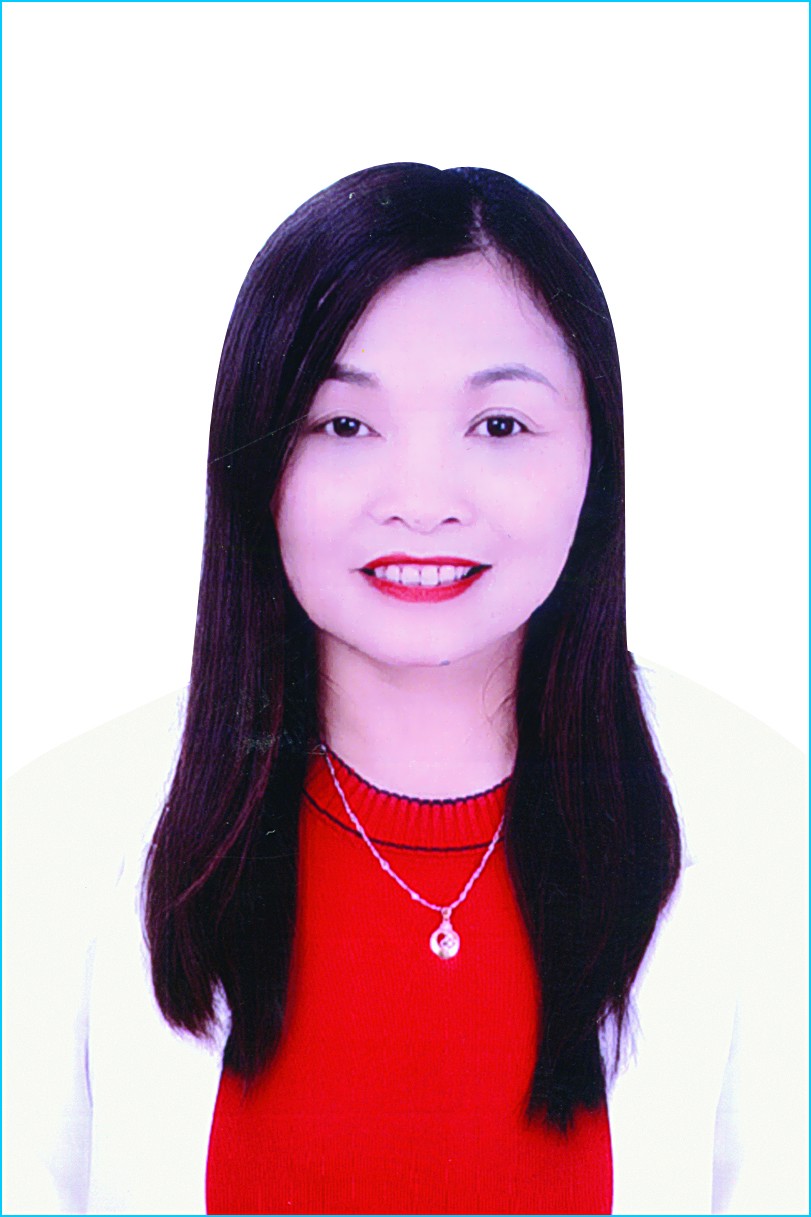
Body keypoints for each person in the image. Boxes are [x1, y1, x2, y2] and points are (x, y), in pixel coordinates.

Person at [5, 164, 807, 1216]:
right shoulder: (56, 839)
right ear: (256, 461)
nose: (421, 502)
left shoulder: (766, 829)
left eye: (499, 426)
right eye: (343, 425)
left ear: (596, 457)